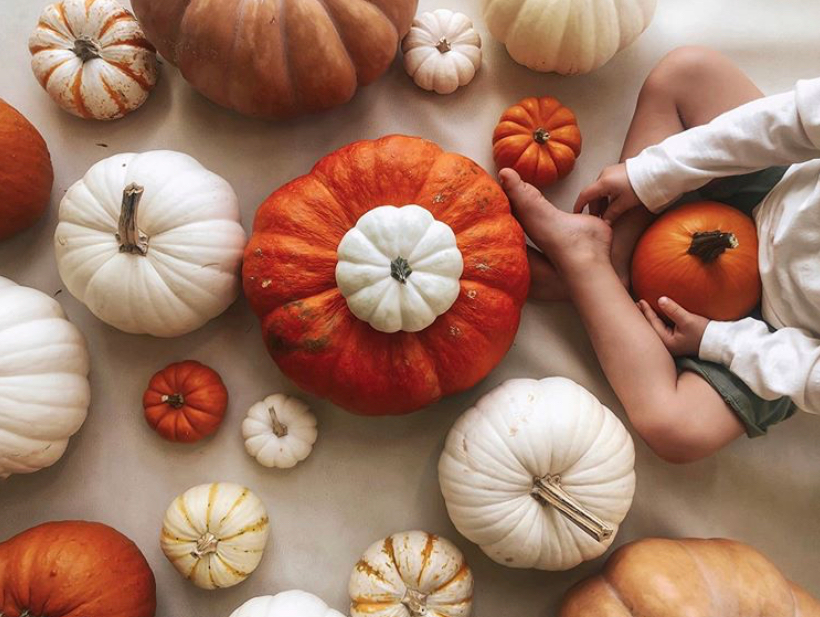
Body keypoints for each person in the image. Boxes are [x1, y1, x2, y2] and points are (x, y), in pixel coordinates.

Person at [499, 46, 820, 463]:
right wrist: (654, 173)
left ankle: (586, 263)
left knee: (676, 429)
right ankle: (614, 259)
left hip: (780, 335)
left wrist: (718, 341)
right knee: (689, 73)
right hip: (773, 187)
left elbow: (811, 374)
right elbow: (796, 120)